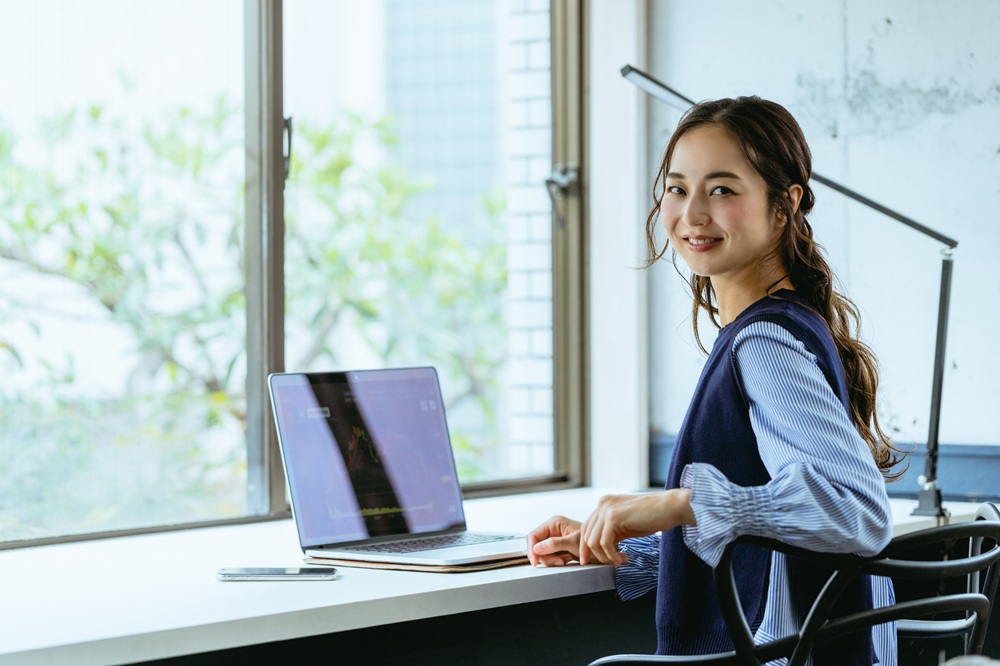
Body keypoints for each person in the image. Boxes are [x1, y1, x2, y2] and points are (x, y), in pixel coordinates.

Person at [527, 96, 904, 665]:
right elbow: (764, 542)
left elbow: (858, 513)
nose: (692, 214)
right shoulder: (781, 324)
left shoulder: (764, 342)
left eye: (723, 189)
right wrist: (623, 543)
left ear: (785, 205)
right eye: (678, 189)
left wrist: (676, 504)